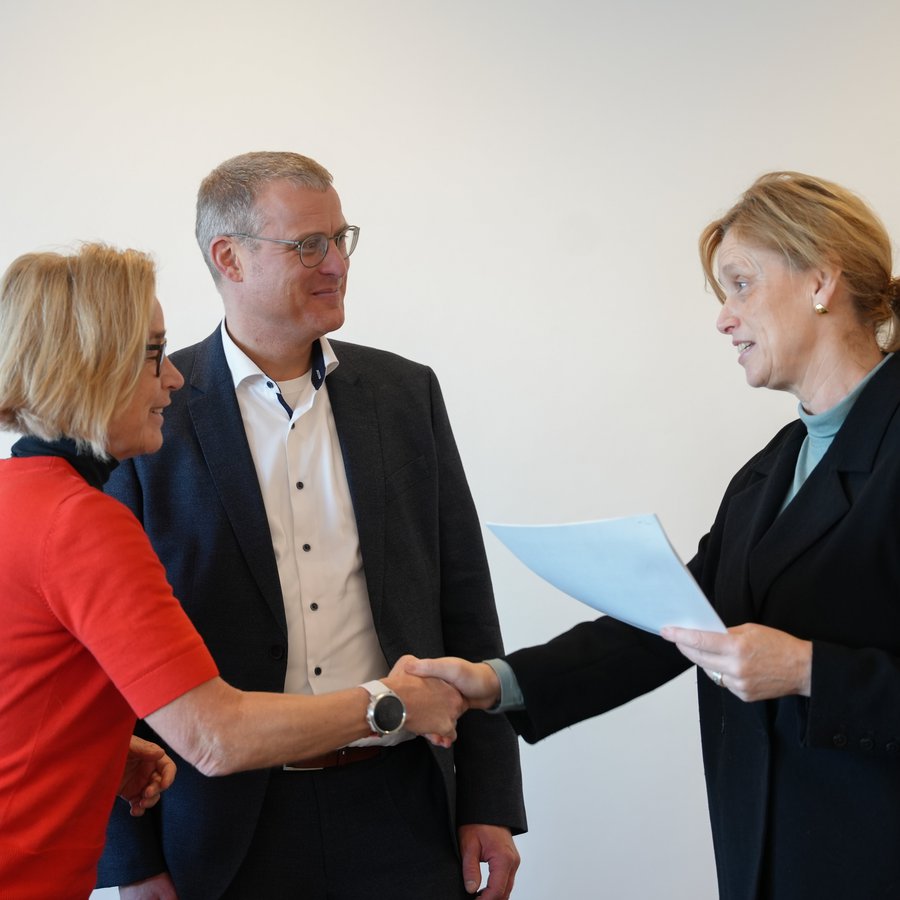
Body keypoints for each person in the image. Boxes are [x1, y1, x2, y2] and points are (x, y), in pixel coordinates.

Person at [412, 171, 900, 900]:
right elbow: (672, 625)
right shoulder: (770, 471)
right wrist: (497, 683)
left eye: (740, 283)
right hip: (767, 860)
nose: (723, 318)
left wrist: (808, 671)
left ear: (822, 281)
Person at [97, 151, 526, 900]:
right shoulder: (146, 412)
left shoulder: (404, 393)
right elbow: (103, 663)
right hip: (220, 825)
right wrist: (131, 862)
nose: (336, 264)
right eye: (307, 246)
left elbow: (464, 602)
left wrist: (489, 801)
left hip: (401, 803)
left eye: (341, 238)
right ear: (228, 257)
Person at [0, 244, 465, 900]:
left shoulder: (16, 497)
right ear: (90, 367)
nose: (174, 380)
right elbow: (217, 738)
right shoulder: (81, 523)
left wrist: (105, 752)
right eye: (152, 354)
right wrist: (391, 704)